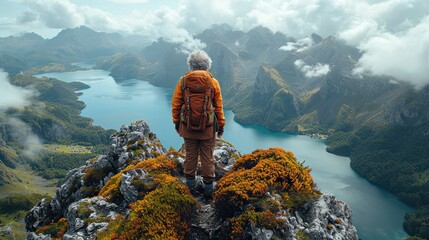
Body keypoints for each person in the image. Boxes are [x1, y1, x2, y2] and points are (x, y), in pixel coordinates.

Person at [172, 50, 225, 198]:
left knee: (190, 156)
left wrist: (177, 123)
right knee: (208, 158)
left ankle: (190, 189)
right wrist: (220, 126)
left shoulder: (183, 81)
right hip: (207, 129)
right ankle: (208, 191)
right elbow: (219, 107)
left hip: (187, 127)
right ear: (207, 65)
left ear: (191, 65)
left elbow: (176, 105)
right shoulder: (213, 82)